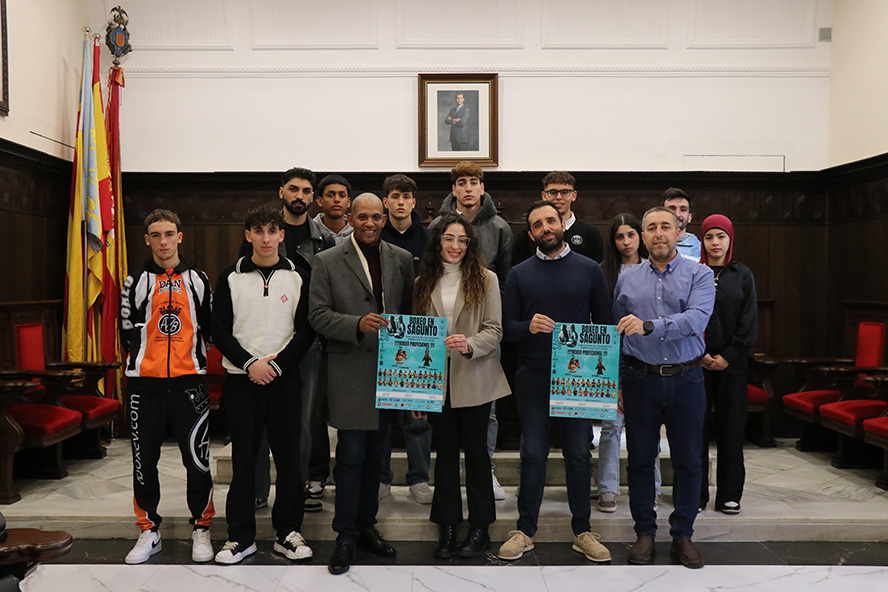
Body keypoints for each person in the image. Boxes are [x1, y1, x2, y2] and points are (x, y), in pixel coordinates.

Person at [498, 200, 613, 564]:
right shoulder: (519, 273)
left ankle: (583, 530)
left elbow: (606, 325)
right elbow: (506, 329)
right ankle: (524, 530)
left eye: (551, 220)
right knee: (532, 453)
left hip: (577, 377)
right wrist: (527, 326)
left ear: (563, 223)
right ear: (530, 233)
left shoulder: (589, 270)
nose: (546, 227)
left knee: (578, 453)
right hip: (532, 374)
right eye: (537, 224)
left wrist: (610, 379)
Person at [308, 193, 415, 575]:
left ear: (384, 218)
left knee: (377, 458)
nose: (370, 223)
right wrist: (356, 323)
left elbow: (411, 319)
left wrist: (415, 384)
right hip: (349, 373)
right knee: (351, 458)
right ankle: (345, 535)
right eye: (362, 217)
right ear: (349, 218)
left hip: (391, 374)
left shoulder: (401, 259)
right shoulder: (327, 261)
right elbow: (317, 315)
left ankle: (368, 527)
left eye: (376, 217)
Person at [212, 206, 315, 565]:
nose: (267, 238)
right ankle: (240, 537)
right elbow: (219, 330)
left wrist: (276, 365)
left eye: (273, 231)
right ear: (249, 235)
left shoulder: (299, 275)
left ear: (281, 236)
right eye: (260, 231)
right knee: (244, 460)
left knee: (289, 461)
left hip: (284, 380)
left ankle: (287, 533)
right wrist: (250, 363)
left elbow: (306, 330)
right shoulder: (230, 277)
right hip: (242, 381)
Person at [614, 206, 715, 569]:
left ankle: (683, 534)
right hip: (639, 378)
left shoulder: (700, 274)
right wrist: (618, 382)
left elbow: (696, 319)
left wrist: (650, 326)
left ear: (679, 232)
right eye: (652, 228)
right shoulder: (627, 279)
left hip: (686, 379)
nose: (659, 233)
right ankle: (644, 532)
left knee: (689, 461)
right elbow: (618, 329)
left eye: (666, 227)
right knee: (640, 460)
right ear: (642, 236)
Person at [412, 214, 511, 559]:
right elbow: (416, 340)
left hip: (476, 378)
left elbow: (495, 330)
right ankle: (448, 526)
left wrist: (469, 344)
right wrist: (417, 391)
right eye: (449, 239)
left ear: (470, 245)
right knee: (445, 456)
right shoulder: (423, 281)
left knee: (478, 456)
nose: (455, 246)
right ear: (438, 241)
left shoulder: (487, 279)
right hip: (437, 383)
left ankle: (480, 527)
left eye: (462, 240)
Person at [120, 209, 215, 565]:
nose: (163, 241)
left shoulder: (199, 279)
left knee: (198, 460)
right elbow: (126, 333)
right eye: (156, 235)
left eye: (169, 234)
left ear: (180, 236)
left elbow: (210, 328)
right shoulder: (133, 282)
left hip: (190, 383)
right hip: (145, 387)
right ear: (146, 239)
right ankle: (148, 530)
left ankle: (201, 527)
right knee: (145, 461)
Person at [239, 167, 334, 514]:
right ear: (281, 192)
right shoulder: (262, 230)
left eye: (307, 191)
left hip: (306, 344)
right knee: (261, 422)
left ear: (313, 197)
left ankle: (300, 486)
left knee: (305, 423)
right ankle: (259, 488)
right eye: (293, 189)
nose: (300, 196)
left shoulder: (324, 239)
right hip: (263, 344)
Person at [430, 161, 513, 500]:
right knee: (445, 443)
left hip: (480, 336)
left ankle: (486, 476)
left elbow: (505, 279)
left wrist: (482, 319)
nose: (467, 187)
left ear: (482, 187)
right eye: (461, 182)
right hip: (440, 359)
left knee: (482, 427)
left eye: (474, 182)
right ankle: (446, 511)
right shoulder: (435, 228)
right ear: (454, 189)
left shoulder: (499, 227)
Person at [596, 213, 662, 514]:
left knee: (647, 426)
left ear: (641, 237)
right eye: (620, 237)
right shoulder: (603, 272)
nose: (626, 242)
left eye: (631, 235)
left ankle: (652, 489)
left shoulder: (656, 270)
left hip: (648, 356)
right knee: (611, 425)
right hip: (612, 355)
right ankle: (607, 488)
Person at [379, 174, 434, 504]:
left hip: (418, 334)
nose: (401, 202)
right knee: (382, 414)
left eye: (407, 197)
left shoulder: (428, 238)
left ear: (414, 202)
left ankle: (419, 477)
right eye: (395, 196)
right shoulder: (375, 236)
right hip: (384, 332)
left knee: (418, 415)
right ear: (386, 201)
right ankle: (381, 476)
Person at [698, 214, 758, 515]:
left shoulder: (742, 274)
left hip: (732, 365)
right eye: (709, 237)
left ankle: (730, 495)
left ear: (730, 240)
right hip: (697, 363)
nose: (715, 243)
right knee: (695, 429)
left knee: (732, 430)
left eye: (721, 236)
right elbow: (689, 316)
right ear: (702, 241)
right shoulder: (693, 273)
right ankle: (695, 494)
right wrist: (702, 354)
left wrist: (727, 356)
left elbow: (748, 323)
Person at [513, 171, 604, 264]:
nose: (559, 197)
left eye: (565, 192)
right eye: (553, 192)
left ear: (574, 195)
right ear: (544, 196)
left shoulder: (591, 233)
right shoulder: (527, 235)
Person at [313, 174, 353, 245]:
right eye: (330, 195)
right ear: (320, 201)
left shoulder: (357, 233)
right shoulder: (310, 231)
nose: (337, 200)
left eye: (342, 195)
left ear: (348, 202)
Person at [663, 187, 701, 262]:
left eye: (683, 210)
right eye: (671, 209)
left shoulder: (701, 249)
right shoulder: (651, 245)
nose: (677, 214)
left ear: (689, 218)